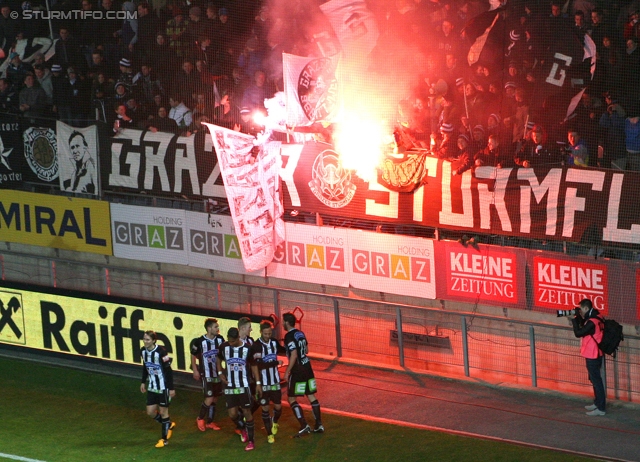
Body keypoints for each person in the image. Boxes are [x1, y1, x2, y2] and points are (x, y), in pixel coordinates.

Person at [283, 311, 324, 437]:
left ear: (287, 323)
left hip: (297, 370)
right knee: (311, 395)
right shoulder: (300, 333)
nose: (283, 324)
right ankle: (319, 424)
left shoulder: (289, 336)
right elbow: (306, 350)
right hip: (307, 367)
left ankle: (304, 425)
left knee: (291, 398)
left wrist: (287, 370)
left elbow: (294, 354)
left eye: (284, 321)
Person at [217, 327, 256, 451]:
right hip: (229, 385)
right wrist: (219, 372)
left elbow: (254, 365)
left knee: (247, 412)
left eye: (233, 341)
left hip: (243, 385)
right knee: (232, 414)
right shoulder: (224, 347)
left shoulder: (248, 348)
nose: (231, 343)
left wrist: (258, 382)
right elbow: (218, 358)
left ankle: (251, 441)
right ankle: (243, 428)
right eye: (229, 341)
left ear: (238, 338)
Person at [250, 321, 285, 444]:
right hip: (264, 383)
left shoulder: (274, 342)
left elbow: (282, 350)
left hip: (275, 381)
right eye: (265, 333)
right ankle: (269, 434)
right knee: (265, 408)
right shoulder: (256, 346)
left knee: (278, 407)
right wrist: (275, 363)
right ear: (260, 332)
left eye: (269, 333)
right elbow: (259, 365)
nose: (268, 335)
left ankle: (274, 422)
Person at [140, 330, 176, 447]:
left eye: (148, 339)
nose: (145, 342)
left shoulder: (161, 352)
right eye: (144, 339)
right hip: (152, 387)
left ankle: (164, 440)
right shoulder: (143, 351)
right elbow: (145, 366)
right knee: (150, 412)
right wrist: (143, 382)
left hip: (163, 387)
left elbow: (168, 371)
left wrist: (171, 388)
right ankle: (167, 424)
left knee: (163, 412)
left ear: (154, 340)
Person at [570, 299, 606, 416]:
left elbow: (578, 333)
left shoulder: (592, 321)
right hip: (595, 353)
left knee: (597, 381)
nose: (580, 311)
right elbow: (584, 326)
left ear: (586, 308)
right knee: (594, 379)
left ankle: (601, 408)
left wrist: (575, 319)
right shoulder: (597, 316)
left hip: (593, 354)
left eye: (581, 309)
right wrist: (579, 317)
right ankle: (597, 403)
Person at [190, 318, 225, 432]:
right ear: (209, 328)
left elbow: (224, 353)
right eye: (215, 327)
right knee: (209, 398)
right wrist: (195, 370)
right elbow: (193, 355)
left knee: (215, 398)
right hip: (206, 374)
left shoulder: (220, 339)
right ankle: (200, 418)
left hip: (218, 374)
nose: (218, 329)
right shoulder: (199, 341)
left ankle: (210, 422)